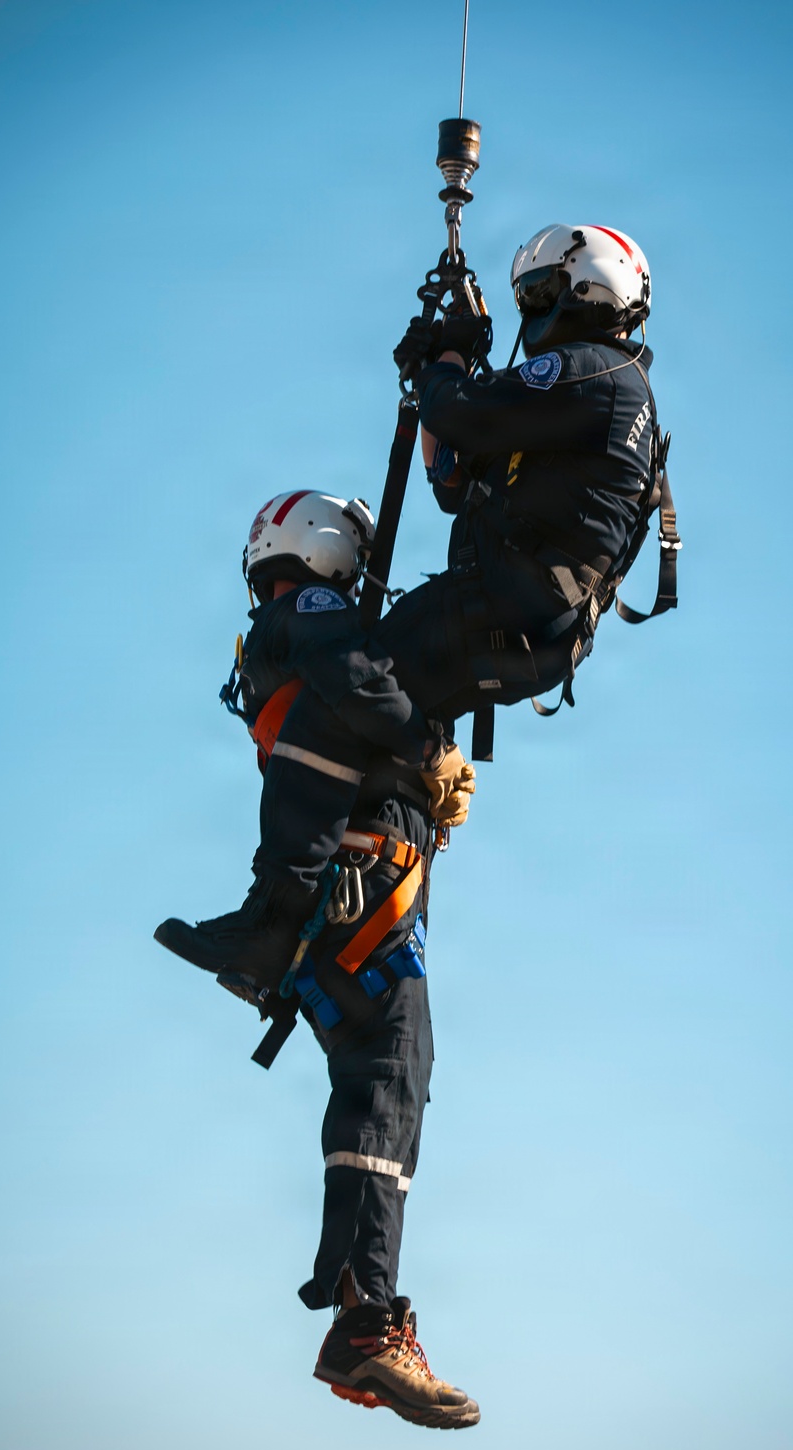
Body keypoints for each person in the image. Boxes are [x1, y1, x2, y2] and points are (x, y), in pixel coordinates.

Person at [159, 223, 673, 993]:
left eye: (539, 293)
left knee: (344, 688)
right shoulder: (593, 390)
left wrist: (444, 366)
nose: (533, 310)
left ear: (588, 286)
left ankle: (271, 927)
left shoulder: (595, 371)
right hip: (531, 624)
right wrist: (447, 379)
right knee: (370, 711)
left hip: (503, 603)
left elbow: (466, 416)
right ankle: (323, 911)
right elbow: (456, 479)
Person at [155, 492, 481, 1429]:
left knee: (385, 1090)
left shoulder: (277, 630)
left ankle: (362, 1309)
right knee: (391, 1077)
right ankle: (366, 1320)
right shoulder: (315, 615)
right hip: (360, 910)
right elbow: (358, 684)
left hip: (345, 912)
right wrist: (428, 752)